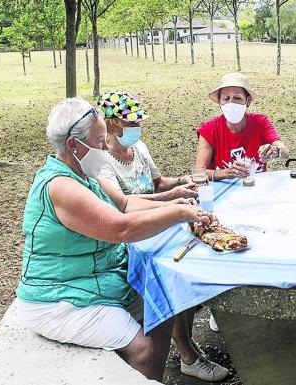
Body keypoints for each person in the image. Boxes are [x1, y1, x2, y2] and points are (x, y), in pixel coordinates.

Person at [16, 97, 229, 382]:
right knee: (144, 348)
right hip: (59, 298)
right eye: (101, 141)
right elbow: (121, 228)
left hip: (94, 281)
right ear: (73, 145)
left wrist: (185, 207)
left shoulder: (83, 174)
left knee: (167, 298)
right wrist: (179, 212)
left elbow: (126, 205)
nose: (106, 147)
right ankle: (147, 371)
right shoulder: (61, 186)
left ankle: (156, 374)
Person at [97, 91, 198, 201]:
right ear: (111, 125)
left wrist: (181, 181)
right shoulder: (101, 161)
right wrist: (171, 195)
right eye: (131, 123)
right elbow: (121, 203)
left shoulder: (139, 146)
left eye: (138, 122)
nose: (137, 127)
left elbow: (158, 183)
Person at [195, 72, 290, 181]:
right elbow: (198, 172)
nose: (231, 103)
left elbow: (285, 153)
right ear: (219, 102)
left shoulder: (260, 122)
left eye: (237, 98)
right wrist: (226, 173)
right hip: (222, 192)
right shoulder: (209, 130)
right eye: (226, 98)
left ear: (247, 100)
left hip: (255, 188)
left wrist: (275, 151)